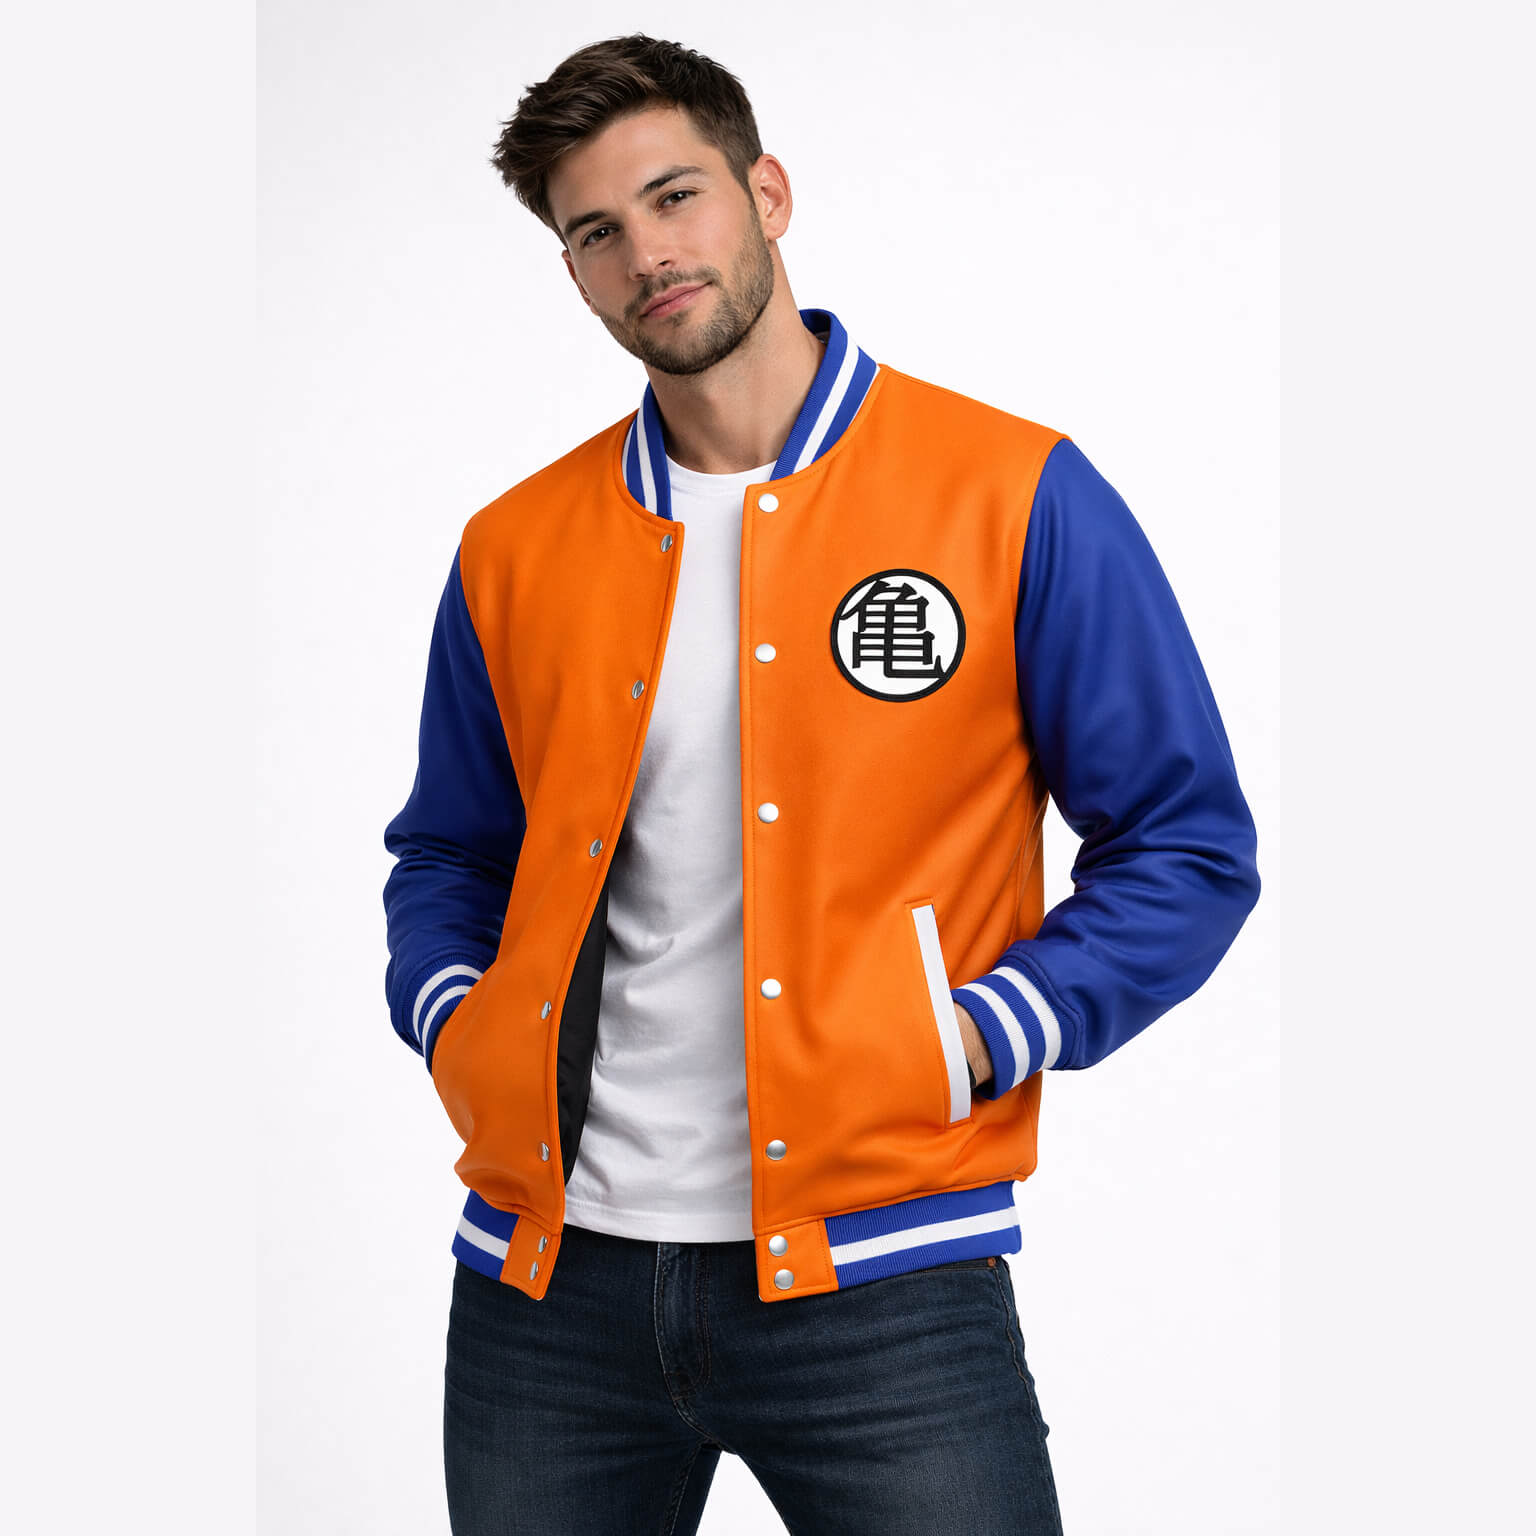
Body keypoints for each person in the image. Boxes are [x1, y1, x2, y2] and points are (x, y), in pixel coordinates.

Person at [381, 31, 1261, 1536]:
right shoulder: (514, 547)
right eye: (596, 232)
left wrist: (976, 1035)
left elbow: (1184, 843)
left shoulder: (1008, 492)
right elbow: (452, 852)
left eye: (676, 197)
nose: (647, 256)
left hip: (886, 1283)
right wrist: (458, 1018)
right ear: (572, 272)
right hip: (545, 1293)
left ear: (768, 193)